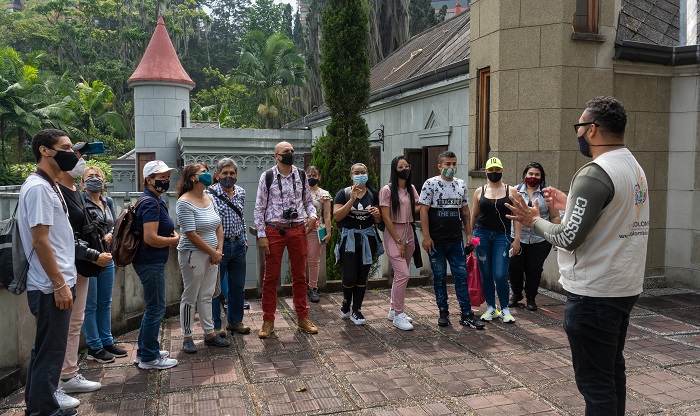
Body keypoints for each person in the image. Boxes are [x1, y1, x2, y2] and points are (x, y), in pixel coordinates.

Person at [506, 96, 649, 416]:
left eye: (580, 127)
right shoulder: (633, 167)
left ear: (593, 129)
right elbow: (614, 213)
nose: (579, 134)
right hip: (623, 287)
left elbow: (569, 237)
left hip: (593, 293)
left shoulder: (595, 173)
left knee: (595, 384)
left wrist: (532, 220)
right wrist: (570, 202)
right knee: (612, 372)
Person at [18, 129, 78, 416]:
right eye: (65, 147)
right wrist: (59, 284)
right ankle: (44, 412)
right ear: (45, 150)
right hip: (49, 286)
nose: (72, 153)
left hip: (56, 282)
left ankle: (41, 406)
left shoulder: (49, 185)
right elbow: (40, 241)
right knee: (51, 354)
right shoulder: (39, 188)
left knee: (45, 351)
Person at [55, 146, 112, 411]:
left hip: (82, 266)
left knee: (74, 324)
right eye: (76, 155)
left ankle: (68, 374)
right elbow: (61, 237)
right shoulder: (53, 191)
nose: (80, 160)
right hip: (67, 268)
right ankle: (52, 387)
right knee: (59, 329)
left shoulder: (75, 192)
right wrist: (92, 254)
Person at [253, 141, 319, 338]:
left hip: (298, 229)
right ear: (276, 156)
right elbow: (259, 208)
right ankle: (268, 320)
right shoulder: (268, 176)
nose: (290, 153)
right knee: (271, 277)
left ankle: (302, 317)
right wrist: (262, 234)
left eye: (292, 151)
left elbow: (308, 202)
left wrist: (313, 216)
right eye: (285, 151)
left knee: (299, 275)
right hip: (274, 229)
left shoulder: (300, 175)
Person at [419, 151, 484, 329]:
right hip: (436, 242)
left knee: (461, 277)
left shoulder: (461, 184)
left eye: (454, 164)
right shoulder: (430, 184)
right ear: (440, 166)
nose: (451, 168)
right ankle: (443, 312)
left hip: (456, 241)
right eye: (447, 164)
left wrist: (469, 234)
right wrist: (426, 236)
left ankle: (466, 314)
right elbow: (423, 211)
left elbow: (465, 211)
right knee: (439, 277)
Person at [176, 163, 229, 353]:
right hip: (193, 255)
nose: (207, 175)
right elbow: (190, 234)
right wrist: (212, 252)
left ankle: (209, 334)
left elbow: (218, 225)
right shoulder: (184, 202)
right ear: (192, 178)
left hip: (213, 255)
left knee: (207, 294)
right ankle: (187, 336)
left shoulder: (209, 198)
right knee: (190, 296)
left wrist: (219, 250)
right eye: (203, 172)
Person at [132, 160, 180, 369]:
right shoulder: (151, 202)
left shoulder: (154, 199)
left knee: (153, 306)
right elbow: (150, 238)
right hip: (150, 260)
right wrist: (173, 241)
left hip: (151, 260)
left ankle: (145, 351)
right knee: (156, 307)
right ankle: (150, 358)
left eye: (167, 177)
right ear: (148, 180)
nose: (166, 181)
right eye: (161, 178)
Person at [81, 166, 127, 359]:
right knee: (89, 304)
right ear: (82, 183)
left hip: (107, 257)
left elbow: (115, 225)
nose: (94, 179)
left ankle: (107, 341)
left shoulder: (107, 201)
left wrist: (109, 236)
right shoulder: (80, 202)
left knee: (105, 302)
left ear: (104, 181)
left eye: (98, 176)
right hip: (89, 258)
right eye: (89, 176)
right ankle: (94, 346)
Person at [470, 157, 521, 323]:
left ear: (502, 171)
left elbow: (517, 217)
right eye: (491, 170)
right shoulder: (479, 191)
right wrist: (471, 238)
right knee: (485, 273)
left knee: (499, 274)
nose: (494, 173)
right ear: (486, 172)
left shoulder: (511, 191)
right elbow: (474, 215)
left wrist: (517, 239)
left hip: (502, 236)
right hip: (481, 234)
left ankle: (505, 308)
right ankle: (491, 307)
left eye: (497, 170)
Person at [333, 163, 384, 325]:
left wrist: (377, 215)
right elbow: (337, 216)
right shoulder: (344, 194)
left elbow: (378, 221)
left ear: (368, 174)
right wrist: (352, 200)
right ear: (351, 176)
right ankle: (347, 301)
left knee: (362, 277)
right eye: (356, 172)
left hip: (367, 239)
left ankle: (357, 310)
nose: (360, 175)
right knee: (349, 277)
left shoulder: (373, 194)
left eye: (363, 172)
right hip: (349, 239)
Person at [508, 162, 560, 311]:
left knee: (534, 270)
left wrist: (555, 236)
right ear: (525, 175)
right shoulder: (516, 191)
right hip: (518, 238)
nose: (533, 177)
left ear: (541, 177)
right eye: (531, 174)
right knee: (514, 268)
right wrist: (516, 240)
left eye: (537, 174)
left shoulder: (547, 194)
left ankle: (531, 297)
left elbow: (555, 217)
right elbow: (515, 215)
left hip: (540, 239)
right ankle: (516, 295)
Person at [207, 158, 250, 335]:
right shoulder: (209, 195)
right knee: (215, 289)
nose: (228, 176)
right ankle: (216, 326)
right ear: (217, 175)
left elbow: (241, 217)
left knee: (237, 286)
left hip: (238, 243)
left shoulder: (240, 192)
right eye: (224, 173)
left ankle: (235, 321)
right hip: (220, 247)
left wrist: (245, 238)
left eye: (232, 173)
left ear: (236, 175)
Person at [379, 156, 420, 331]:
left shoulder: (411, 188)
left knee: (400, 274)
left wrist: (427, 203)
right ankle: (398, 315)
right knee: (403, 274)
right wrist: (398, 241)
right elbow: (386, 217)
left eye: (407, 166)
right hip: (394, 233)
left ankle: (393, 309)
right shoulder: (387, 190)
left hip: (409, 231)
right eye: (401, 166)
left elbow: (417, 207)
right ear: (394, 170)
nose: (405, 169)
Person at [304, 166, 331, 303]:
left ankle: (313, 287)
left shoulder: (324, 194)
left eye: (314, 175)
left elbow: (327, 215)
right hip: (300, 229)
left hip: (316, 230)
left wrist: (328, 232)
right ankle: (300, 287)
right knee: (299, 260)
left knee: (314, 260)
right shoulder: (300, 192)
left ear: (319, 177)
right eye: (308, 176)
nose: (311, 178)